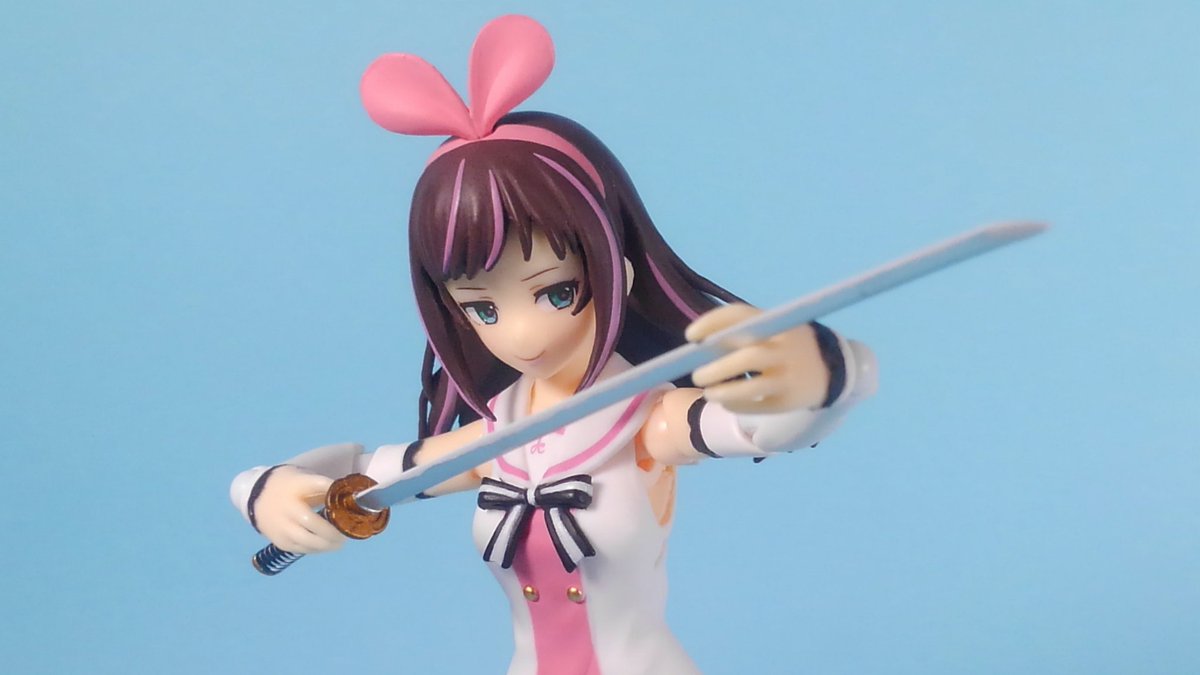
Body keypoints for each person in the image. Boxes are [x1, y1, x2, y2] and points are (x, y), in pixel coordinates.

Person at [230, 15, 877, 675]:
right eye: (483, 308)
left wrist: (821, 373)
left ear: (616, 272)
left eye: (556, 292)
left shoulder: (644, 420)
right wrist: (266, 489)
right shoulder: (495, 438)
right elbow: (362, 467)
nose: (521, 335)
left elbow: (762, 427)